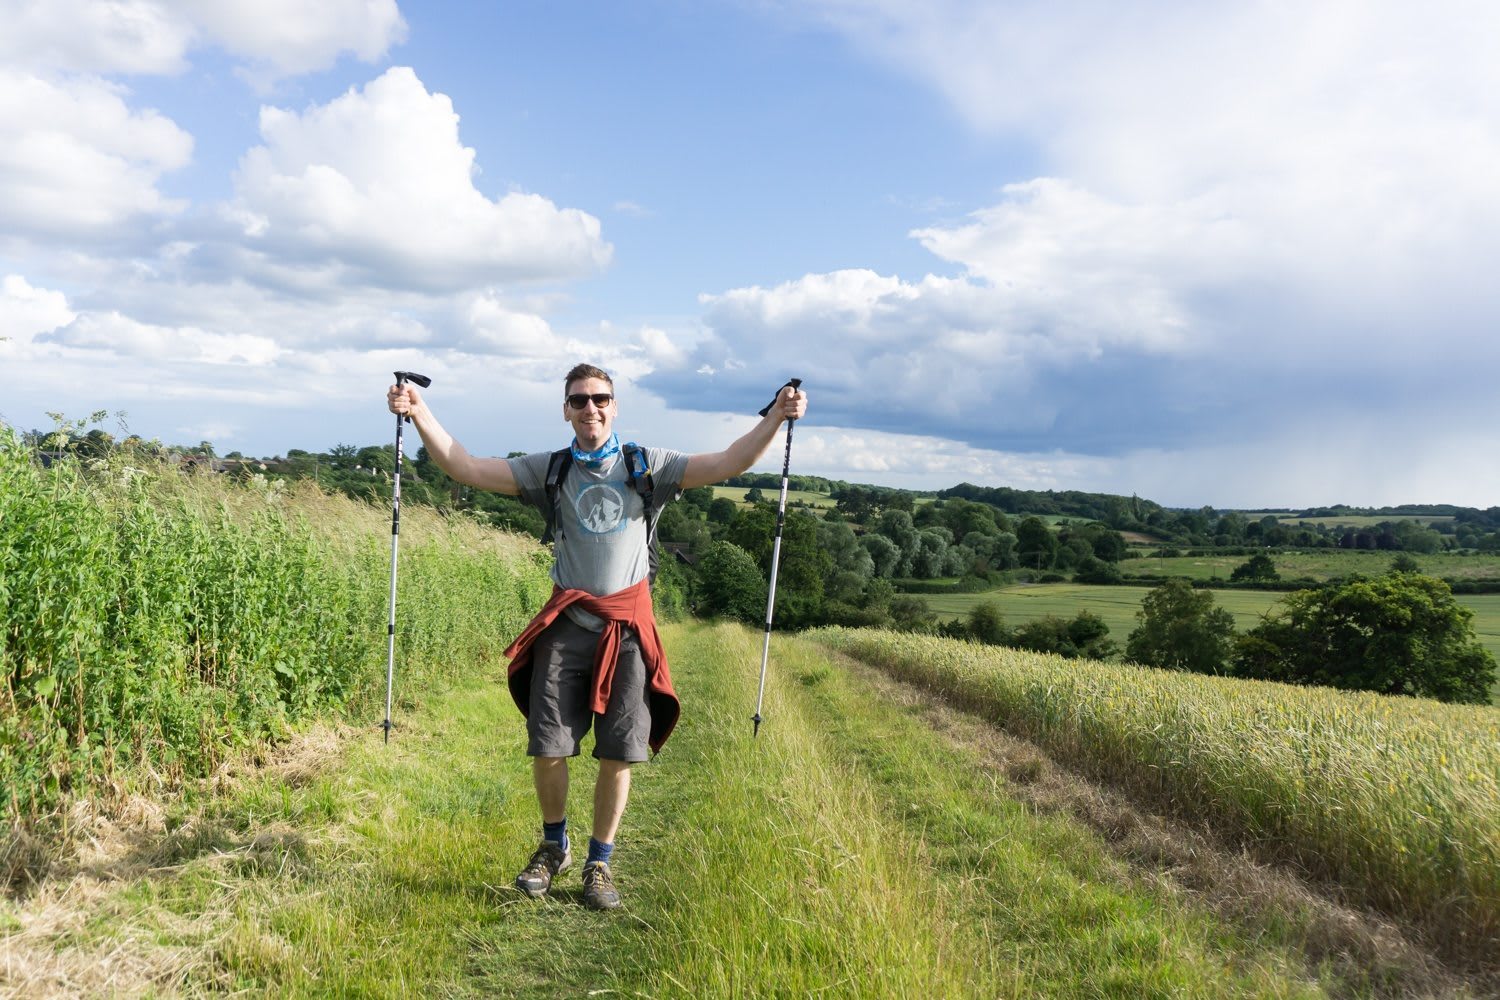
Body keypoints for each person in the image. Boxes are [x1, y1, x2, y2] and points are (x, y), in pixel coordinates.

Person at [386, 364, 807, 910]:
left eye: (600, 399)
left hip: (628, 631)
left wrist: (776, 416)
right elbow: (465, 466)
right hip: (566, 627)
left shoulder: (646, 465)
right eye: (580, 400)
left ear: (614, 405)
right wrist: (419, 412)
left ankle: (599, 862)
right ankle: (553, 845)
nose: (591, 409)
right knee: (549, 745)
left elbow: (730, 461)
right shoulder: (551, 469)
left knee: (619, 752)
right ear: (566, 409)